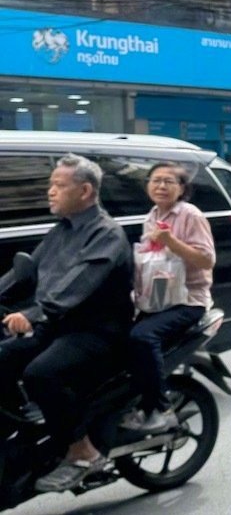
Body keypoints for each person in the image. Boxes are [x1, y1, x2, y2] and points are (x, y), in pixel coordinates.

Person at [0, 154, 132, 492]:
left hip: (96, 331)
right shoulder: (60, 231)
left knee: (41, 373)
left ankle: (82, 452)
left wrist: (31, 315)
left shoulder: (106, 234)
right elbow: (24, 272)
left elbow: (76, 286)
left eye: (59, 185)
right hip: (58, 324)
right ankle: (26, 437)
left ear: (85, 191)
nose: (50, 191)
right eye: (51, 185)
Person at [120, 162, 216, 434]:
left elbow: (207, 260)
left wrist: (171, 241)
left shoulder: (190, 215)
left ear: (181, 188)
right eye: (156, 180)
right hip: (158, 298)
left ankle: (161, 410)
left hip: (188, 300)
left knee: (143, 337)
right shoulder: (151, 216)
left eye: (168, 181)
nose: (161, 186)